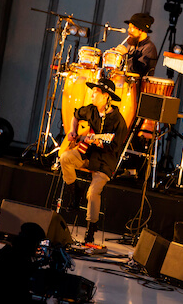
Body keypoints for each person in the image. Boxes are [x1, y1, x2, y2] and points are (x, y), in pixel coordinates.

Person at [60, 78, 128, 244]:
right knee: (65, 158)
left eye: (96, 92)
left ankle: (91, 229)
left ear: (106, 96)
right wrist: (73, 132)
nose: (92, 94)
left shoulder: (119, 121)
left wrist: (99, 142)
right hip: (87, 154)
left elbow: (115, 147)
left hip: (105, 161)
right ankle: (74, 193)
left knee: (93, 193)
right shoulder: (91, 110)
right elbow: (76, 116)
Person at [0, 222, 46, 304]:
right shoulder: (16, 258)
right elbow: (20, 282)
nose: (36, 247)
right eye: (36, 243)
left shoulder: (8, 252)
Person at [113, 12, 158, 77]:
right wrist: (118, 55)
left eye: (132, 28)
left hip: (138, 85)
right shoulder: (132, 45)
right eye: (129, 27)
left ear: (141, 30)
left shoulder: (149, 48)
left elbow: (139, 70)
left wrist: (126, 55)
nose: (128, 30)